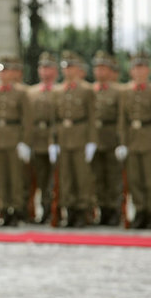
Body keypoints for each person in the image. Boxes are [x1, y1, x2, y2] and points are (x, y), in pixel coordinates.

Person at [116, 53, 151, 229]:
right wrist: (122, 142)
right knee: (135, 179)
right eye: (135, 68)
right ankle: (139, 211)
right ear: (131, 71)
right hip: (132, 139)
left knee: (150, 179)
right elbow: (122, 119)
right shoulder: (126, 91)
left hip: (150, 138)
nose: (138, 71)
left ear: (148, 70)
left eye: (142, 67)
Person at [0, 56, 30, 226]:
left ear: (12, 73)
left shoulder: (20, 93)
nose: (3, 75)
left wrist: (24, 141)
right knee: (0, 177)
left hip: (14, 138)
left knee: (15, 177)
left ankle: (16, 209)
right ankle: (2, 208)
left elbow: (26, 118)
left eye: (6, 71)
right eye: (0, 72)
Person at [52, 51, 97, 227]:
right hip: (63, 137)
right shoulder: (57, 91)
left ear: (79, 69)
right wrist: (52, 142)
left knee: (81, 177)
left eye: (71, 67)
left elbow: (92, 117)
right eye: (65, 67)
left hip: (80, 136)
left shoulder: (86, 90)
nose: (68, 71)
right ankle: (68, 210)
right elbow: (53, 119)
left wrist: (92, 141)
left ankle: (82, 211)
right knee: (66, 177)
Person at [25, 52, 59, 224]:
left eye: (49, 68)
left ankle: (55, 209)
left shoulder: (59, 91)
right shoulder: (31, 93)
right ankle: (43, 209)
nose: (46, 72)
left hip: (55, 140)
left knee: (56, 179)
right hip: (37, 140)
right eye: (43, 68)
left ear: (56, 71)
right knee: (40, 177)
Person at [90, 50, 122, 226]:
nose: (100, 72)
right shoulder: (90, 90)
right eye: (97, 68)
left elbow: (121, 117)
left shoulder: (118, 91)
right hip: (95, 139)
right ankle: (102, 209)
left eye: (104, 68)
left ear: (110, 71)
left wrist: (121, 140)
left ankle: (114, 209)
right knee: (98, 177)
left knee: (113, 176)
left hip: (111, 138)